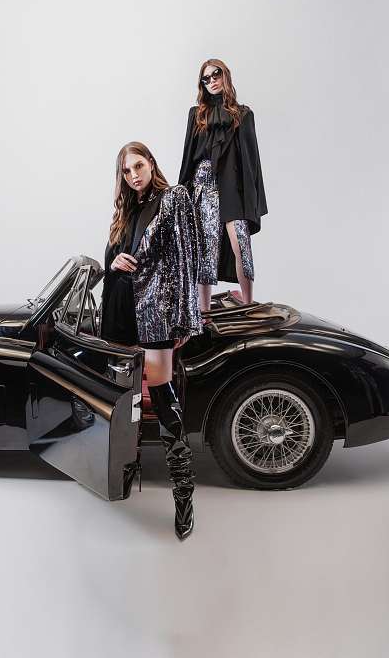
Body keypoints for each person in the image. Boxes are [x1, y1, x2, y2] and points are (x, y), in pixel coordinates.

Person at [100, 141, 201, 540]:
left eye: (138, 166)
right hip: (120, 311)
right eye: (126, 171)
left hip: (155, 313)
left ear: (151, 163)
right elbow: (113, 257)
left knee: (162, 398)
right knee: (123, 399)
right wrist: (113, 262)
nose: (133, 175)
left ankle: (184, 497)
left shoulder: (173, 199)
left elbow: (187, 260)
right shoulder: (126, 210)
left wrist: (185, 319)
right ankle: (122, 474)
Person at [178, 58, 267, 312]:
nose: (212, 81)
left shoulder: (243, 114)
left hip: (232, 188)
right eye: (206, 78)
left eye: (216, 74)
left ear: (225, 75)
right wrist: (181, 195)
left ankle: (248, 306)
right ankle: (204, 313)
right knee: (205, 250)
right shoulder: (196, 114)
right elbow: (188, 157)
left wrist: (253, 201)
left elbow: (252, 162)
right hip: (202, 186)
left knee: (241, 245)